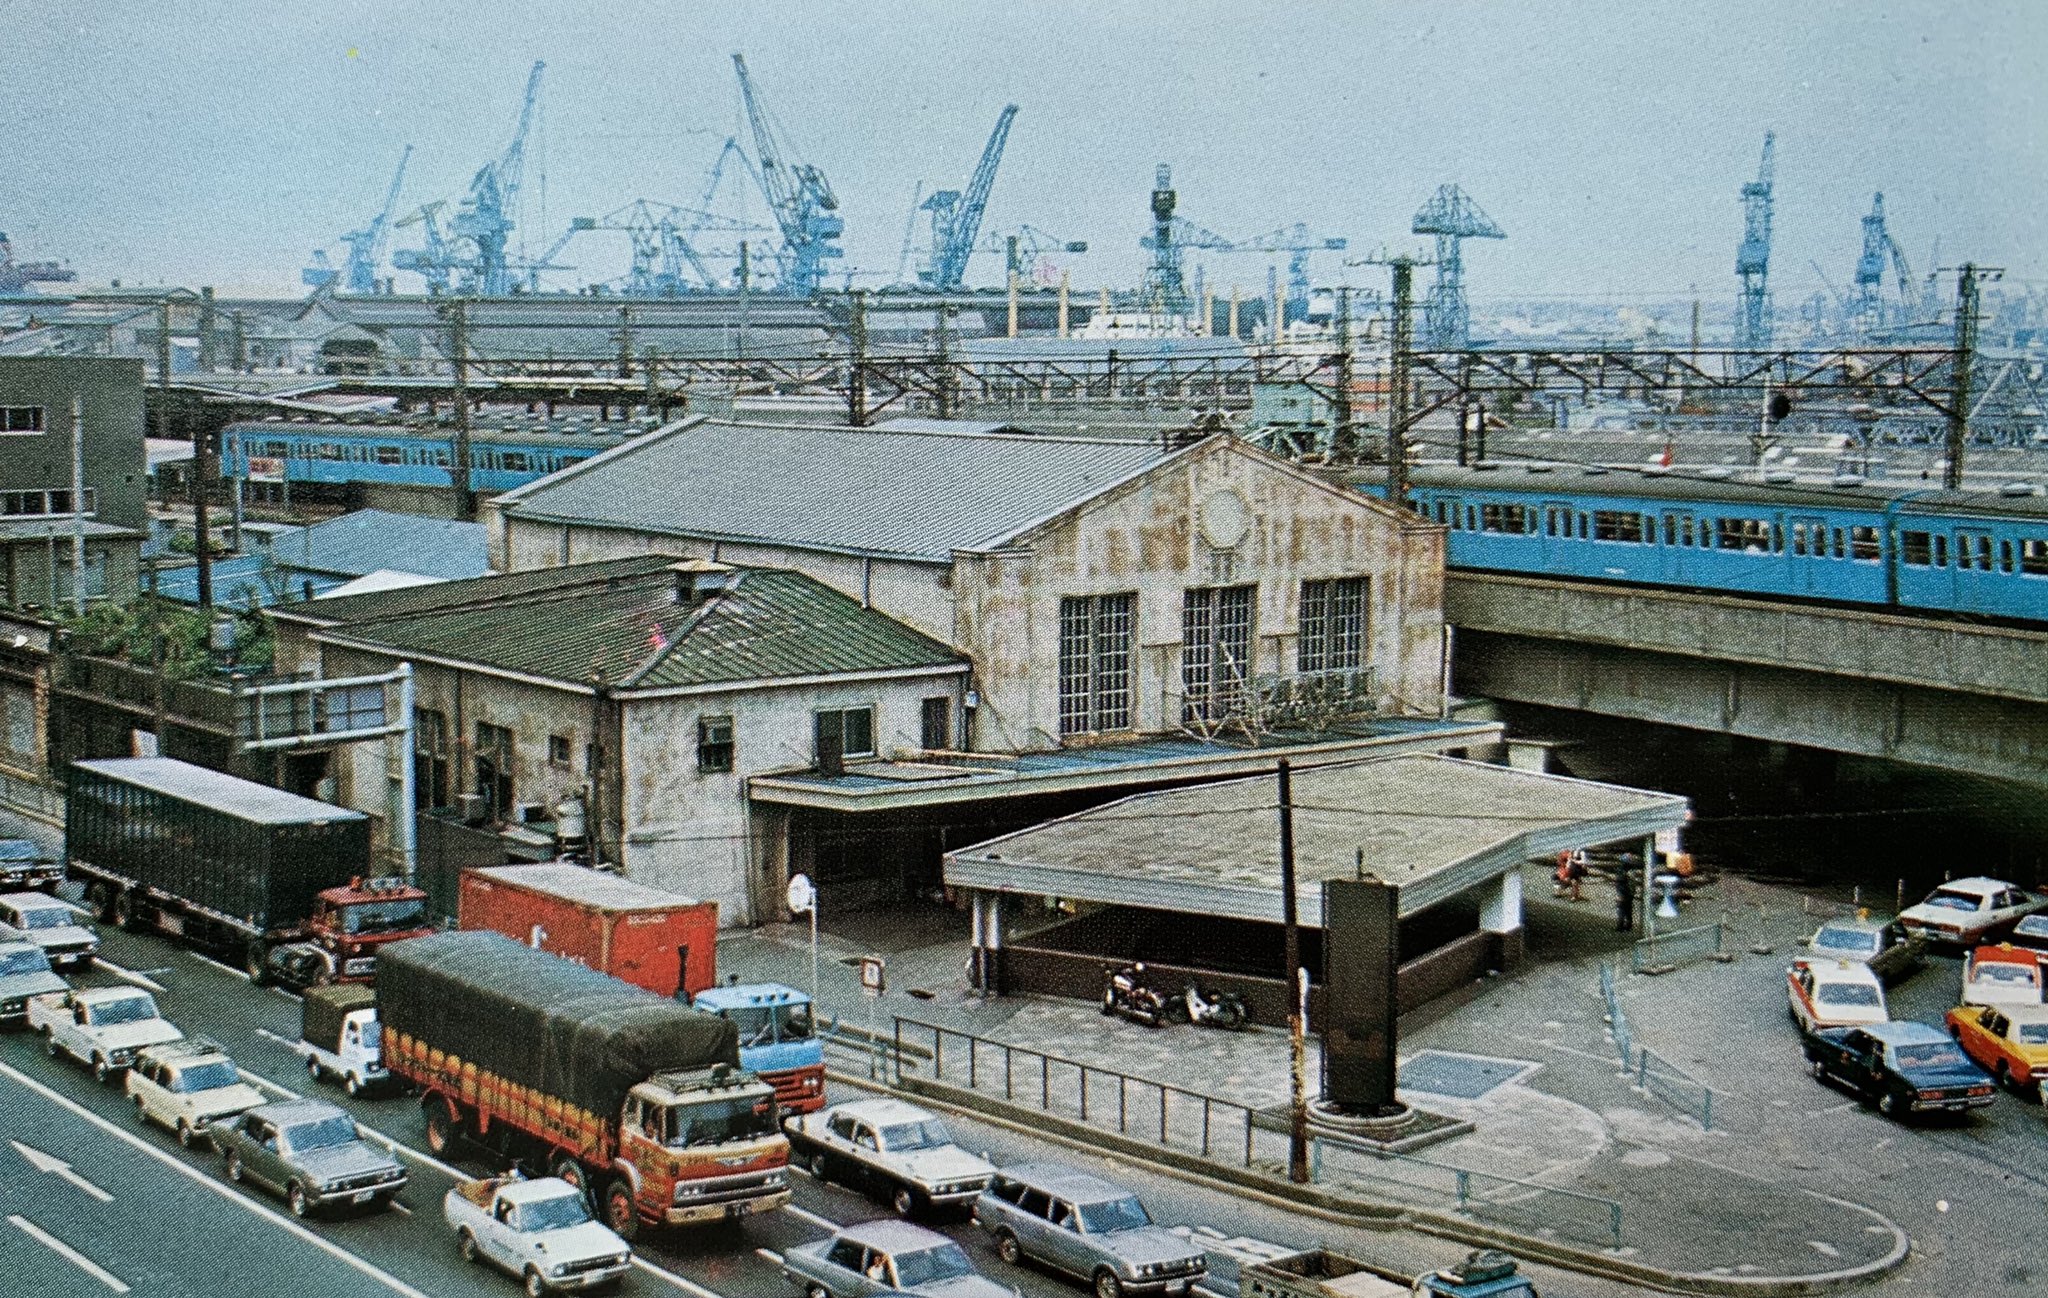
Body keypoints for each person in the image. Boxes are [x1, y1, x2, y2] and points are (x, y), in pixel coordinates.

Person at [1615, 864, 1636, 932]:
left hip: (1624, 892)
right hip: (1627, 892)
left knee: (1622, 909)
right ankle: (1627, 925)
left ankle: (1621, 925)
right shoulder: (1631, 873)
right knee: (1628, 910)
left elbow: (1619, 885)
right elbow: (1632, 885)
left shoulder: (1621, 873)